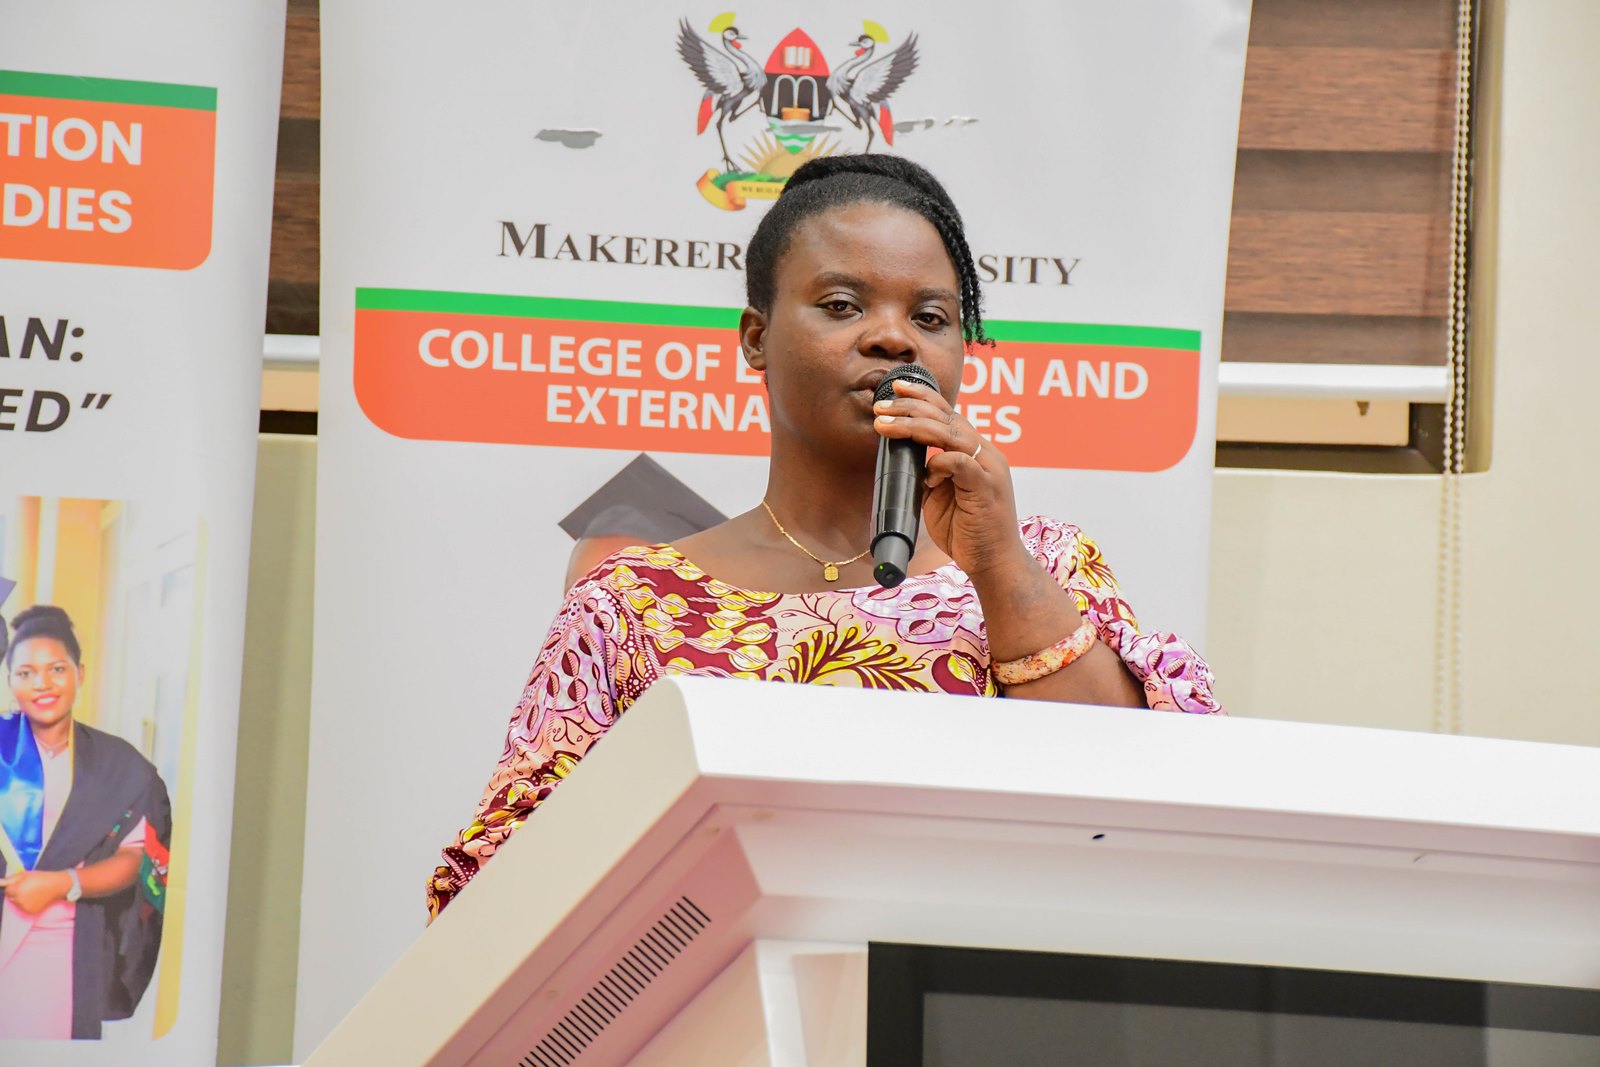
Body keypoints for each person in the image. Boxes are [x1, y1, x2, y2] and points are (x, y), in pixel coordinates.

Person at [427, 154, 1221, 921]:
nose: (894, 339)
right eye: (843, 305)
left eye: (931, 317)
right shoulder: (630, 608)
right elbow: (502, 889)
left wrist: (998, 563)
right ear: (754, 339)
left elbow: (1148, 806)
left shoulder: (1040, 562)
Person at [0, 605, 172, 1040]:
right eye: (25, 673)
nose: (42, 684)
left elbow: (137, 858)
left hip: (65, 953)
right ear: (9, 681)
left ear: (80, 672)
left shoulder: (122, 767)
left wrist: (63, 884)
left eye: (57, 668)